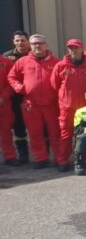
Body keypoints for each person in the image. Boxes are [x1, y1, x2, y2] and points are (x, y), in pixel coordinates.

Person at [7, 34, 60, 169]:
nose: (37, 46)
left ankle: (60, 158)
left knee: (55, 133)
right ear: (30, 46)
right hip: (31, 104)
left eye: (40, 43)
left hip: (51, 104)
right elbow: (11, 77)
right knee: (35, 133)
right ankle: (40, 158)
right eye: (34, 43)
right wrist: (19, 87)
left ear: (45, 45)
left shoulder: (56, 62)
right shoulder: (23, 61)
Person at [52, 38, 86, 171]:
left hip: (85, 108)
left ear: (82, 49)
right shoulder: (60, 66)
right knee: (65, 135)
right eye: (71, 48)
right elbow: (54, 85)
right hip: (67, 108)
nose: (73, 50)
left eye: (76, 47)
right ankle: (62, 161)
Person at [4, 30, 31, 163]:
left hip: (31, 95)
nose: (20, 43)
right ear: (13, 42)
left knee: (41, 126)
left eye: (23, 40)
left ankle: (43, 155)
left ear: (28, 41)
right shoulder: (7, 57)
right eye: (17, 40)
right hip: (14, 97)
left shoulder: (35, 54)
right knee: (18, 126)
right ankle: (23, 154)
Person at [0, 53, 14, 165]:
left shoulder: (7, 62)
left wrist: (3, 97)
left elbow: (11, 82)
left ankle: (9, 156)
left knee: (6, 131)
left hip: (3, 103)